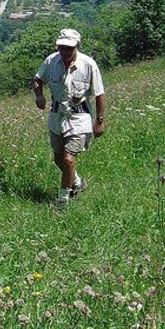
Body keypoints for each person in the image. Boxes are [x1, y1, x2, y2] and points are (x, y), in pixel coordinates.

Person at [32, 28, 105, 207]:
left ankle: (62, 201)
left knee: (68, 159)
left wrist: (100, 121)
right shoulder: (51, 61)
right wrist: (39, 95)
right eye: (61, 47)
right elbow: (38, 79)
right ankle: (77, 181)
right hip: (57, 116)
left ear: (77, 47)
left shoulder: (88, 64)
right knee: (58, 158)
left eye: (68, 48)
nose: (64, 51)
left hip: (79, 117)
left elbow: (99, 93)